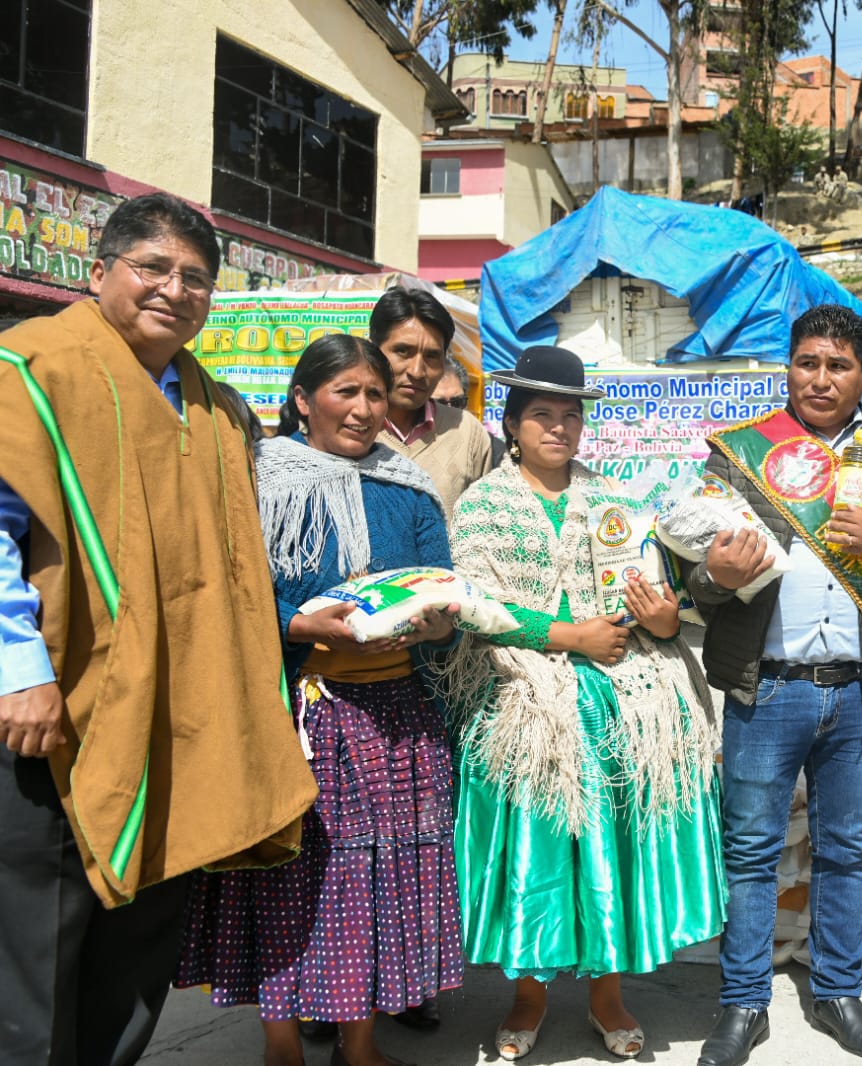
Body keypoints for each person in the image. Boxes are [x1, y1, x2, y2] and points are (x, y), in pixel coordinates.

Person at [0, 193, 317, 1066]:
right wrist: (16, 669)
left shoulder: (214, 404)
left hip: (179, 718)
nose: (174, 290)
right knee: (37, 953)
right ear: (99, 272)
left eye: (196, 278)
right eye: (154, 268)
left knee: (139, 943)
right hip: (56, 712)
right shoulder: (32, 369)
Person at [176, 334, 464, 1066]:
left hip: (394, 716)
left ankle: (359, 1044)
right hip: (297, 710)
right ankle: (281, 1044)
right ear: (304, 400)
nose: (364, 409)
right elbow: (228, 592)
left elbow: (441, 587)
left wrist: (433, 622)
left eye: (374, 394)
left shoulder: (407, 488)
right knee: (285, 879)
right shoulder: (256, 481)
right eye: (346, 392)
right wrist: (296, 623)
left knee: (377, 882)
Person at [685, 305, 862, 1066]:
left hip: (860, 693)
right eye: (808, 362)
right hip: (764, 689)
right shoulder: (744, 454)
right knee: (749, 853)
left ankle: (839, 993)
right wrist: (714, 574)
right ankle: (742, 1005)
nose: (820, 378)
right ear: (789, 367)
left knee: (844, 850)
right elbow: (690, 569)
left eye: (838, 366)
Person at [438, 346, 723, 1062]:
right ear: (511, 424)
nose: (559, 428)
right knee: (538, 853)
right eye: (542, 415)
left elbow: (654, 601)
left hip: (613, 693)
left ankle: (606, 992)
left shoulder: (613, 504)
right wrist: (568, 636)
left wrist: (657, 620)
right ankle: (529, 993)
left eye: (570, 415)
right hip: (520, 692)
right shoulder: (483, 505)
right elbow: (476, 605)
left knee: (609, 851)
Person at [373, 287, 494, 517]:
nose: (417, 371)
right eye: (403, 351)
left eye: (431, 356)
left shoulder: (467, 432)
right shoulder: (348, 427)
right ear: (373, 350)